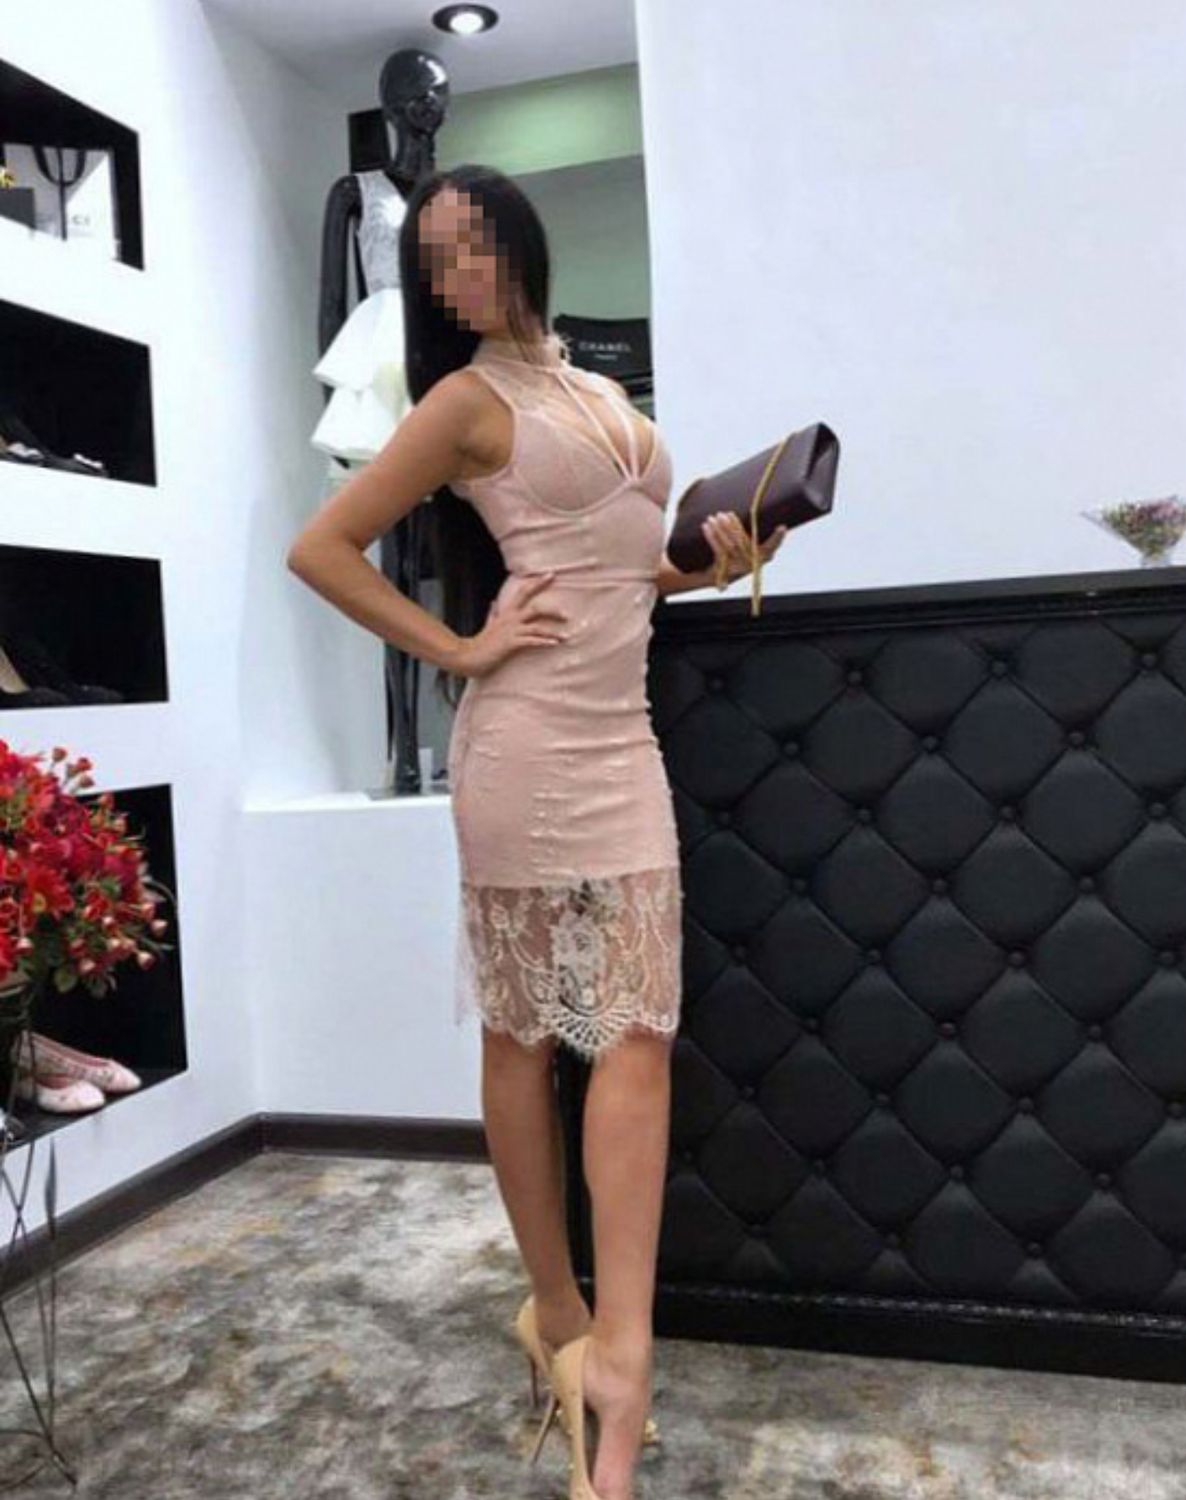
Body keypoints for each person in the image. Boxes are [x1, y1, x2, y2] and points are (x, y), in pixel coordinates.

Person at [287, 163, 787, 1500]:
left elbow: (627, 572)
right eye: (436, 264)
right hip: (521, 750)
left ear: (521, 238)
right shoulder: (462, 402)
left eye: (474, 245)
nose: (461, 276)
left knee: (638, 1034)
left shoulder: (604, 396)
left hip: (624, 745)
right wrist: (462, 648)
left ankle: (619, 1348)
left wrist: (715, 562)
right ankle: (565, 1322)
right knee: (524, 1035)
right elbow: (321, 548)